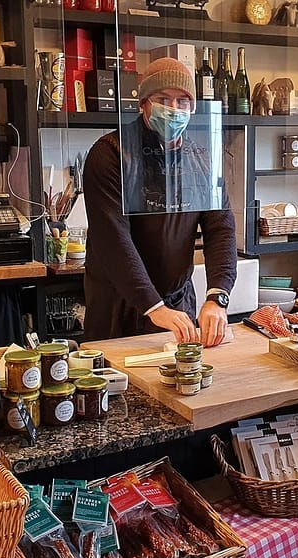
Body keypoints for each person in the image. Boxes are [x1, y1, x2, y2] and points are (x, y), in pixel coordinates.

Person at [82, 57, 237, 347]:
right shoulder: (110, 155)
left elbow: (221, 229)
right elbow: (113, 240)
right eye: (163, 99)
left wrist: (218, 296)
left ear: (193, 107)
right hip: (120, 307)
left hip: (178, 305)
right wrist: (153, 306)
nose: (174, 109)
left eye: (182, 101)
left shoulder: (200, 159)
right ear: (143, 103)